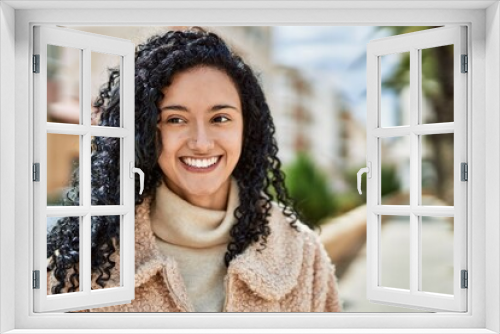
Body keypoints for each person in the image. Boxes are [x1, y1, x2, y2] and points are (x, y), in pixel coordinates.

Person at [47, 27, 342, 313]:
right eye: (176, 119)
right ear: (147, 131)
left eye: (220, 118)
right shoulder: (87, 259)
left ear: (246, 129)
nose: (201, 143)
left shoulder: (302, 252)